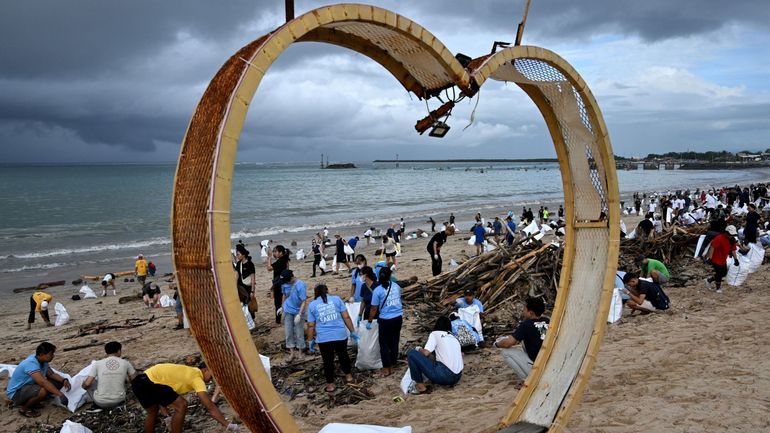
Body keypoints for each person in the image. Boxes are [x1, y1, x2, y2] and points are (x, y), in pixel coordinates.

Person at [131, 362, 238, 433]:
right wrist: (228, 425)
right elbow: (210, 407)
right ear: (205, 370)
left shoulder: (188, 371)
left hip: (139, 381)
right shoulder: (196, 378)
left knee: (152, 413)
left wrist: (167, 416)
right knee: (182, 405)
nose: (212, 379)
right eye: (212, 375)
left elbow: (162, 394)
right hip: (150, 382)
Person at [306, 284, 358, 392]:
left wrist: (310, 340)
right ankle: (349, 376)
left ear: (316, 293)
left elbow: (311, 325)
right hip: (340, 335)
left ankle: (330, 384)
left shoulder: (312, 305)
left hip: (324, 338)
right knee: (343, 355)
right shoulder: (336, 300)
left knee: (327, 361)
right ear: (327, 291)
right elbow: (346, 317)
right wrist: (352, 331)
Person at [7, 342, 71, 418]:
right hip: (16, 393)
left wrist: (64, 380)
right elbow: (42, 382)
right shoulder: (31, 363)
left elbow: (51, 374)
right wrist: (60, 394)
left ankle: (33, 401)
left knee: (57, 383)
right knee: (43, 390)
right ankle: (25, 408)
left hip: (28, 387)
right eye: (51, 354)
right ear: (41, 354)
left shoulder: (43, 361)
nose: (53, 356)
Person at [494, 297, 549, 381]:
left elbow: (507, 343)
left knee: (505, 352)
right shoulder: (547, 320)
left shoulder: (526, 324)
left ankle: (527, 379)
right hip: (549, 363)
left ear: (530, 313)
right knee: (524, 340)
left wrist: (497, 344)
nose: (523, 311)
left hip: (538, 367)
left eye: (524, 309)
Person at [405, 316, 463, 394]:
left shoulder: (435, 334)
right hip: (457, 377)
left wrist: (419, 349)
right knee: (432, 360)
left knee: (411, 353)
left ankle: (420, 387)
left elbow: (426, 353)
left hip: (445, 375)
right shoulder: (454, 337)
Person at [368, 266, 403, 377]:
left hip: (385, 320)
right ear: (390, 276)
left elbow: (374, 308)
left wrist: (369, 321)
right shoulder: (396, 286)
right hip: (398, 317)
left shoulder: (377, 290)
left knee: (383, 344)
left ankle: (386, 368)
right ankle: (393, 363)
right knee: (394, 340)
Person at [82, 341, 136, 409]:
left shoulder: (97, 363)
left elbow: (87, 384)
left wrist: (83, 385)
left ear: (106, 352)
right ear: (119, 351)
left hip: (100, 402)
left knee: (88, 381)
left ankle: (95, 404)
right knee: (125, 378)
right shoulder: (126, 363)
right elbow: (135, 380)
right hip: (119, 400)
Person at [280, 269, 308, 360]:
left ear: (291, 278)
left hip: (298, 311)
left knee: (299, 332)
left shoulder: (300, 285)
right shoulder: (284, 284)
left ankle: (300, 352)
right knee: (288, 332)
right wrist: (282, 306)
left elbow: (304, 301)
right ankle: (291, 352)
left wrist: (299, 314)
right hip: (288, 310)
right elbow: (284, 295)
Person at [705, 225, 739, 294]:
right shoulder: (719, 238)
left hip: (723, 259)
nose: (731, 236)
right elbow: (712, 247)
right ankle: (718, 288)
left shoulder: (732, 240)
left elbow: (733, 250)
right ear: (726, 233)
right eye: (730, 234)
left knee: (724, 273)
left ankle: (709, 280)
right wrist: (710, 258)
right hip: (715, 259)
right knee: (719, 274)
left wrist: (736, 259)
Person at [267, 244, 290, 324]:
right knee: (283, 301)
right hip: (285, 283)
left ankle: (278, 321)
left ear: (281, 253)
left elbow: (269, 268)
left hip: (279, 284)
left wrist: (269, 257)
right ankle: (284, 318)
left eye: (276, 251)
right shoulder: (285, 260)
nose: (275, 253)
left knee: (278, 303)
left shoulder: (280, 261)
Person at [234, 245, 256, 318]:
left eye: (238, 254)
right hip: (240, 288)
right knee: (242, 304)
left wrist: (252, 291)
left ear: (243, 255)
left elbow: (253, 279)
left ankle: (252, 320)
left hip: (248, 288)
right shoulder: (238, 264)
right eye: (236, 254)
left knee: (250, 304)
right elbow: (236, 277)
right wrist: (234, 288)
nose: (237, 256)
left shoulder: (250, 264)